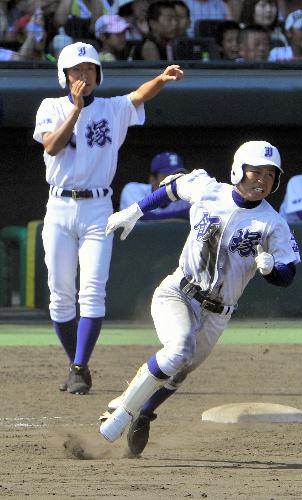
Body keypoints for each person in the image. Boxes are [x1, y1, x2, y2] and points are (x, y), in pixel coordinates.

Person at [99, 140, 301, 455]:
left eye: (271, 175)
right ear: (238, 170)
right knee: (179, 350)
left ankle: (145, 413)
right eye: (256, 171)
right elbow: (172, 189)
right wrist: (134, 211)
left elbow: (288, 276)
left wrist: (272, 270)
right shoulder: (208, 188)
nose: (262, 180)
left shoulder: (273, 224)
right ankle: (122, 409)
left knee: (179, 372)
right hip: (179, 292)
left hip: (219, 314)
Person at [32, 41, 184, 395]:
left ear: (98, 75)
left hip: (99, 207)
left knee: (93, 290)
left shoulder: (112, 108)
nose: (83, 76)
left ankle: (79, 367)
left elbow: (138, 96)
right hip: (59, 207)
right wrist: (76, 109)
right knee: (60, 294)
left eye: (89, 70)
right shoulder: (50, 106)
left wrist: (161, 78)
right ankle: (77, 365)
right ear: (64, 76)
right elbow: (52, 146)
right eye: (76, 71)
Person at [120, 152, 191, 220]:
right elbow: (145, 217)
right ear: (153, 180)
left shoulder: (186, 195)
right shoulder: (133, 190)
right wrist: (184, 214)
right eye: (168, 176)